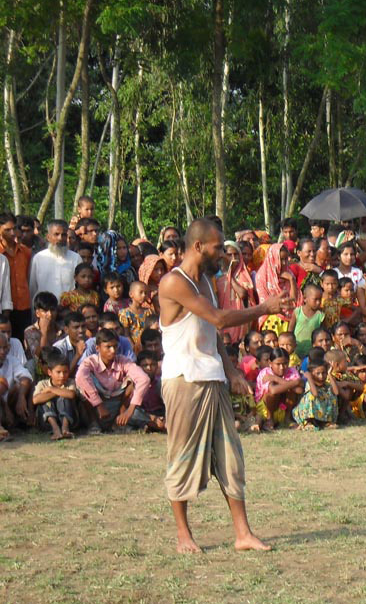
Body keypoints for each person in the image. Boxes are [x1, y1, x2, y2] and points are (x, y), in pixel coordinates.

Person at [157, 217, 292, 554]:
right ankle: (183, 535)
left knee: (231, 457)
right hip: (184, 381)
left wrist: (231, 371)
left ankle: (243, 534)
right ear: (198, 245)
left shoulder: (204, 280)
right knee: (183, 457)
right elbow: (219, 319)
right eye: (218, 247)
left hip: (212, 378)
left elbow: (213, 334)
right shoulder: (174, 283)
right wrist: (263, 308)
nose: (223, 254)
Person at [75, 328, 152, 434]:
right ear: (97, 348)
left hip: (117, 406)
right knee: (82, 384)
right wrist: (99, 405)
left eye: (115, 346)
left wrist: (129, 411)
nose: (113, 350)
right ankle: (93, 424)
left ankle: (119, 423)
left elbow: (144, 379)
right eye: (108, 347)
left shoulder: (123, 361)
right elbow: (80, 377)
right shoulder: (90, 362)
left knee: (132, 382)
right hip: (95, 408)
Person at [32, 347, 78, 440]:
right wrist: (58, 392)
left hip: (70, 420)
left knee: (64, 399)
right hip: (46, 422)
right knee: (45, 401)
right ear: (50, 372)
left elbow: (71, 394)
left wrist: (51, 389)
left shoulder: (70, 382)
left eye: (65, 372)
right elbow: (35, 400)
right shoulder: (42, 384)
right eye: (58, 372)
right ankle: (55, 429)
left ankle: (65, 428)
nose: (62, 376)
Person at [29, 220, 82, 301]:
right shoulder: (39, 258)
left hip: (68, 309)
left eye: (63, 235)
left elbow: (79, 287)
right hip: (44, 308)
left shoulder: (75, 258)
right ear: (48, 237)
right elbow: (33, 288)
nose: (60, 238)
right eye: (56, 234)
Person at [0, 213, 32, 339]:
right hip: (5, 308)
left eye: (14, 229)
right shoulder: (1, 258)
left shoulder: (26, 252)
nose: (12, 233)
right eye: (7, 230)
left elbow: (29, 277)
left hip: (24, 306)